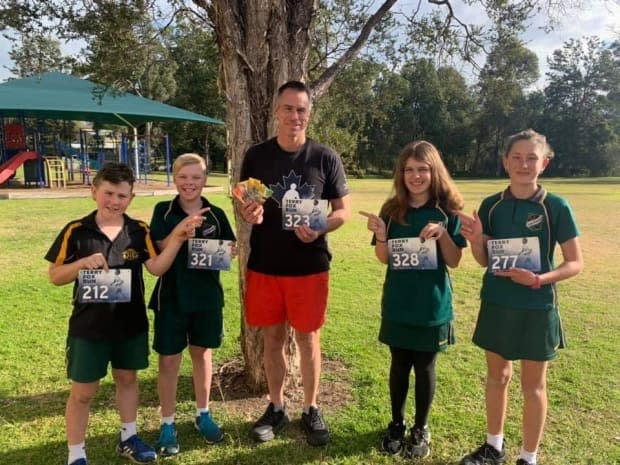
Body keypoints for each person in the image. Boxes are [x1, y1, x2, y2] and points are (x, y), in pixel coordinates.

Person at [45, 162, 205, 465]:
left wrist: (178, 240)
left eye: (122, 196)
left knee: (128, 379)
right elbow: (55, 275)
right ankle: (76, 454)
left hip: (130, 325)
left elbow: (156, 268)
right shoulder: (76, 231)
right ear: (94, 191)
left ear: (131, 198)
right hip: (88, 329)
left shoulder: (138, 231)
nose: (114, 202)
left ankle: (128, 437)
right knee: (83, 392)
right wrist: (80, 265)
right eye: (108, 193)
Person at [456, 129, 583, 465]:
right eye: (516, 157)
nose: (523, 164)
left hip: (536, 307)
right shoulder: (491, 205)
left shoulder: (556, 206)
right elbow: (485, 260)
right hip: (497, 302)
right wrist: (477, 240)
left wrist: (539, 279)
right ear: (505, 162)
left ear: (544, 163)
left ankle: (528, 457)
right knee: (497, 377)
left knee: (534, 387)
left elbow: (575, 263)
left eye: (531, 158)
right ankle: (493, 447)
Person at [236, 80, 351, 446]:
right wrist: (250, 213)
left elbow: (343, 211)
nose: (294, 116)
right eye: (288, 108)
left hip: (310, 266)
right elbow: (247, 205)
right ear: (276, 112)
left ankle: (311, 408)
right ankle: (276, 406)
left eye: (301, 109)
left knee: (308, 339)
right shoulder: (256, 155)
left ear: (309, 114)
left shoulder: (325, 157)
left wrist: (320, 228)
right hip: (266, 265)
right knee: (272, 339)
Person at [360, 140, 466, 459]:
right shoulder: (392, 210)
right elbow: (383, 257)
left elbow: (455, 259)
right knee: (398, 364)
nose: (416, 176)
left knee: (425, 365)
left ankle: (420, 427)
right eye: (409, 170)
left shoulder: (448, 210)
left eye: (422, 169)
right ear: (401, 173)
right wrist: (381, 234)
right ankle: (396, 423)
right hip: (398, 301)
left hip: (431, 305)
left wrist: (443, 233)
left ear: (434, 171)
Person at [148, 153, 237, 456]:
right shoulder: (163, 210)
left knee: (202, 354)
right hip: (171, 297)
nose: (189, 183)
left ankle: (203, 414)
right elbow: (158, 248)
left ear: (204, 180)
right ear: (175, 179)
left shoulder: (216, 214)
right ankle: (167, 423)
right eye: (183, 177)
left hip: (207, 298)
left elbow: (229, 248)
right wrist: (181, 231)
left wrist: (230, 251)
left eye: (196, 178)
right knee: (169, 361)